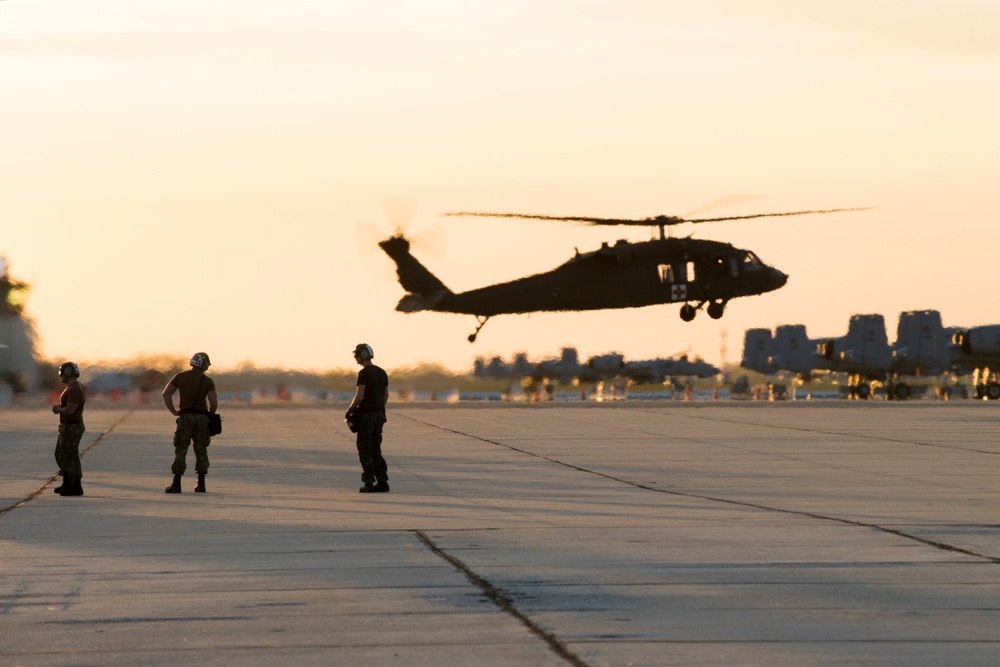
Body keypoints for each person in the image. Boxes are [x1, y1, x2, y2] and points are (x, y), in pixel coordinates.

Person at [162, 352, 218, 494]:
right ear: (205, 365)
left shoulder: (180, 376)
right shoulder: (208, 380)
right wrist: (210, 416)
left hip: (185, 418)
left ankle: (176, 483)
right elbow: (213, 402)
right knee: (201, 450)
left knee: (181, 449)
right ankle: (201, 484)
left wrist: (174, 411)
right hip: (202, 418)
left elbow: (166, 393)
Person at [345, 343, 390, 493]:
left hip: (366, 416)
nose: (356, 359)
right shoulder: (382, 372)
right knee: (376, 448)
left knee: (364, 448)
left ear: (362, 355)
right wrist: (379, 409)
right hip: (379, 415)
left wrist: (350, 409)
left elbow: (359, 396)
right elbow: (386, 395)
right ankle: (382, 480)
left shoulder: (364, 373)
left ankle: (369, 482)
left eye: (356, 355)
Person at [51, 361, 86, 497]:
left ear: (67, 373)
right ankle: (67, 482)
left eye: (62, 373)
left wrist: (59, 409)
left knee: (70, 455)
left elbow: (70, 409)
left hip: (72, 426)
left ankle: (76, 486)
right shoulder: (71, 387)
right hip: (66, 426)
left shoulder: (75, 389)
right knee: (60, 454)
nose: (61, 376)